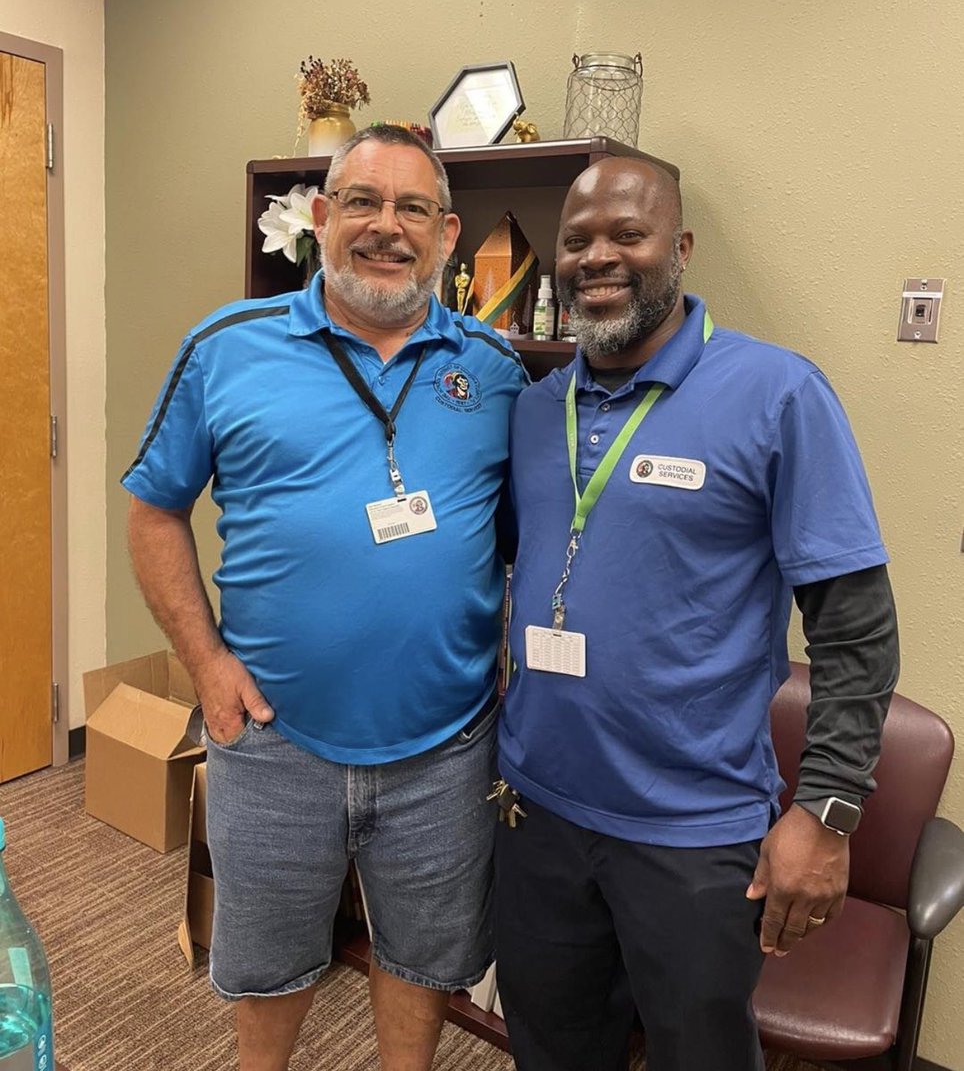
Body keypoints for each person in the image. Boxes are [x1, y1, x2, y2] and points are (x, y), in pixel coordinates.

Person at [123, 125, 528, 1071]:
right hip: (273, 739)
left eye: (413, 209)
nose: (386, 228)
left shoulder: (498, 370)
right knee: (268, 964)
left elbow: (520, 536)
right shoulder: (226, 349)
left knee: (424, 958)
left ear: (447, 233)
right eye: (361, 202)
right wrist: (207, 665)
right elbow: (153, 514)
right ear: (318, 217)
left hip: (448, 747)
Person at [494, 156, 899, 1071]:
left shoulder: (778, 394)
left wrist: (827, 815)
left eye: (626, 235)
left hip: (692, 835)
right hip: (537, 814)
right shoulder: (533, 410)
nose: (598, 255)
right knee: (551, 1051)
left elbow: (857, 630)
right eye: (577, 238)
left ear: (677, 249)